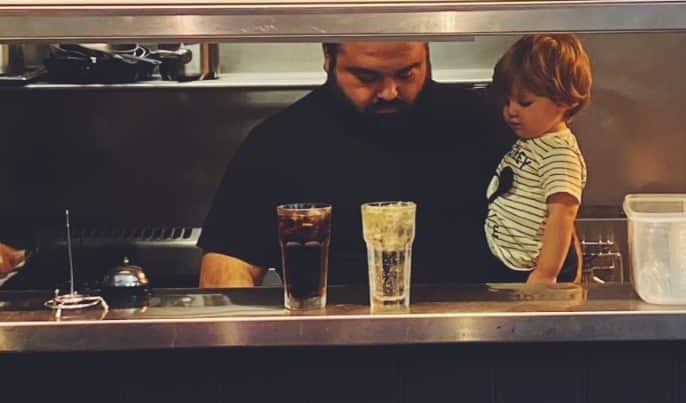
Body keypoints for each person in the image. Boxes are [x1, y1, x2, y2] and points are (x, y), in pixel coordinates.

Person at [198, 41, 517, 287]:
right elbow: (229, 263)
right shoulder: (280, 142)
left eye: (407, 73)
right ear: (328, 58)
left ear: (427, 54)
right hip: (331, 342)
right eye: (366, 77)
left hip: (474, 336)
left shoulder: (483, 124)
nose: (390, 92)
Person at [485, 34, 591, 285]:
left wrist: (546, 274)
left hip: (530, 270)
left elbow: (562, 217)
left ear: (565, 101)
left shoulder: (559, 154)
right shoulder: (535, 137)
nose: (511, 111)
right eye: (507, 101)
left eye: (525, 103)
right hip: (509, 258)